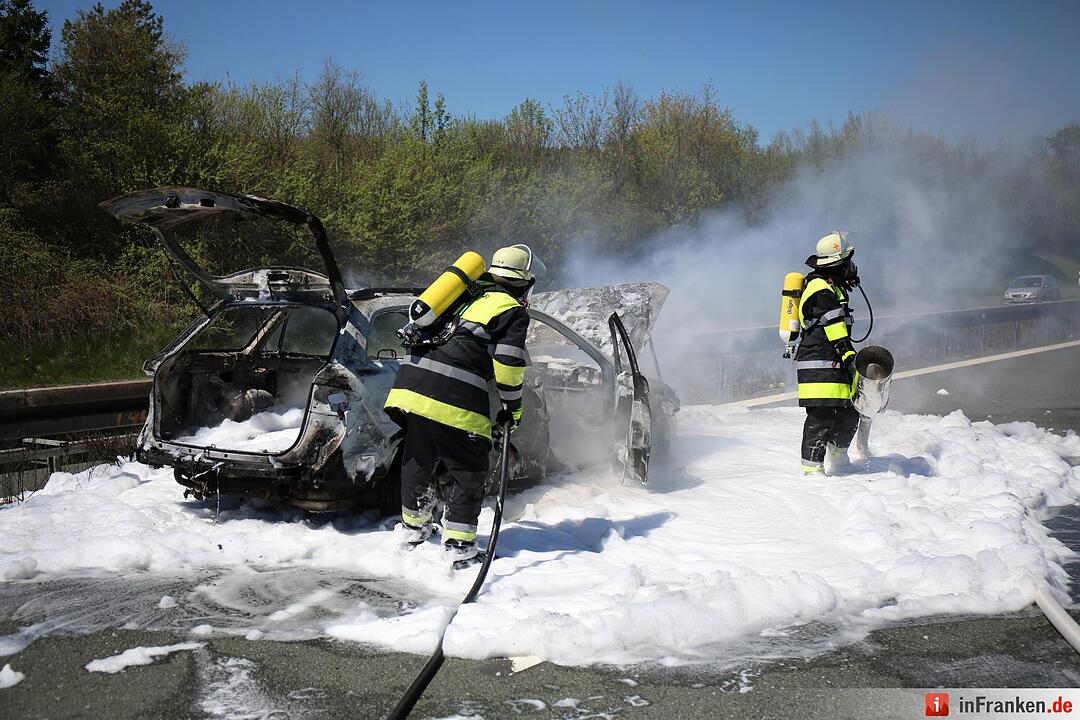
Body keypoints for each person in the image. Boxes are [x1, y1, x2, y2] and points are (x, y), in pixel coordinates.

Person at [384, 244, 544, 568]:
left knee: (418, 460)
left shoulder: (463, 296)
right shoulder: (512, 310)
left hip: (410, 389)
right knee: (469, 470)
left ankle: (413, 531)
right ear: (523, 283)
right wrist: (513, 410)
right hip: (453, 399)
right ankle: (459, 547)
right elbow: (509, 364)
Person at [796, 231, 862, 475]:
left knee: (850, 410)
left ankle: (840, 463)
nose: (852, 267)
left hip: (832, 362)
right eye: (848, 262)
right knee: (820, 417)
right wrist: (847, 353)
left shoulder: (832, 287)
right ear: (837, 264)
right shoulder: (818, 289)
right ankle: (811, 474)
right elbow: (834, 324)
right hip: (819, 363)